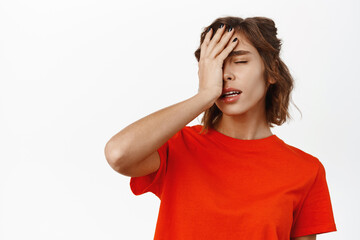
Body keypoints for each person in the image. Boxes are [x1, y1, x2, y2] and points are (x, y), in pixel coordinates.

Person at [104, 16, 337, 240]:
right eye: (216, 65)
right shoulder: (178, 146)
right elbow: (118, 154)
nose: (225, 75)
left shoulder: (306, 170)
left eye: (240, 61)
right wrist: (204, 95)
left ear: (271, 71)